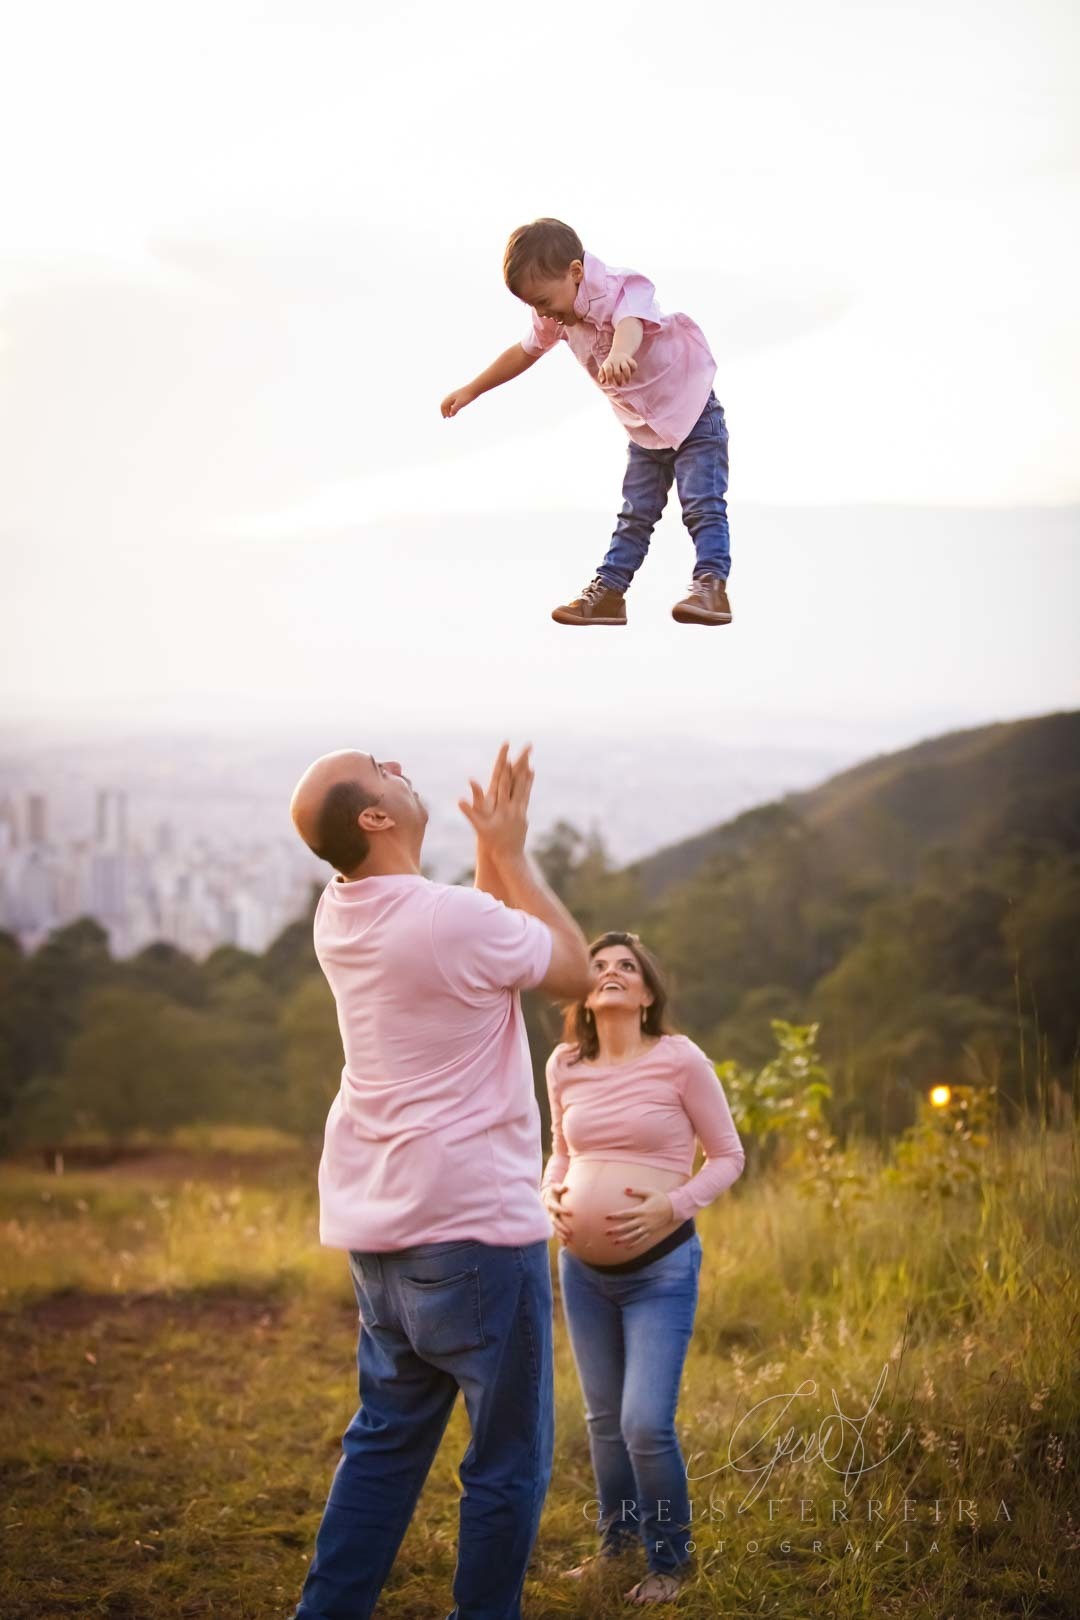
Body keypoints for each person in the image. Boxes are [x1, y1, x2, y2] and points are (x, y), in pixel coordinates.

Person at [288, 741, 591, 1620]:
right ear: (376, 819)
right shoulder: (446, 920)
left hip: (381, 1235)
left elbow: (486, 943)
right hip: (473, 1236)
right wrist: (513, 851)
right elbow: (565, 966)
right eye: (380, 768)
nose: (396, 763)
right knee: (506, 1461)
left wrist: (491, 857)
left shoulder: (337, 914)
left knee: (382, 1445)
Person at [541, 932, 745, 1605]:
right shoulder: (565, 1064)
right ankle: (615, 1549)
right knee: (602, 1420)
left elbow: (727, 1157)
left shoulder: (680, 1060)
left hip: (661, 1269)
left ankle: (670, 1561)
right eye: (598, 966)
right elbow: (560, 1154)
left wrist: (673, 1205)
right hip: (581, 1271)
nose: (611, 974)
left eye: (627, 967)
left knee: (644, 1423)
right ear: (582, 988)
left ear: (649, 992)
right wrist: (550, 1198)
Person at [440, 217, 733, 628]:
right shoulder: (554, 317)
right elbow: (523, 353)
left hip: (692, 413)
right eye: (534, 307)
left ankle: (710, 586)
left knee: (701, 504)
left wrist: (618, 351)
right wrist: (472, 389)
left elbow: (630, 324)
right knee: (635, 515)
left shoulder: (621, 288)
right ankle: (610, 594)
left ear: (575, 273)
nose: (544, 314)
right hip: (645, 430)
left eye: (544, 300)